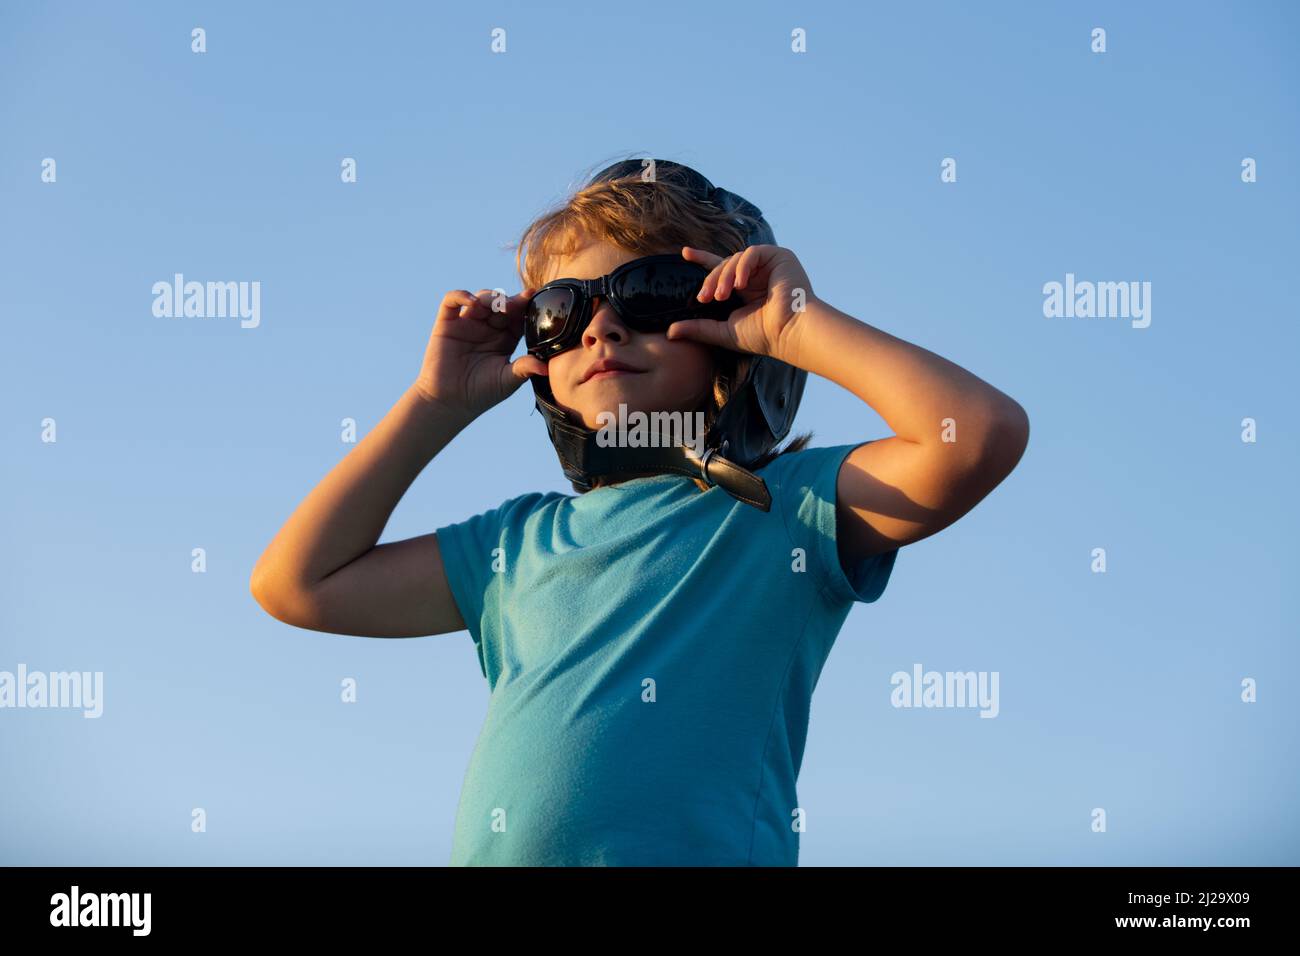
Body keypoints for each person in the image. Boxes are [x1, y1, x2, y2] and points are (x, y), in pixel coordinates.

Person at [249, 157, 1030, 866]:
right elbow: (297, 583)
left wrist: (800, 325)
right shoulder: (514, 545)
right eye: (562, 309)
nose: (600, 326)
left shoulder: (782, 511)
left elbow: (975, 437)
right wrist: (432, 405)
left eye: (650, 293)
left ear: (737, 329)